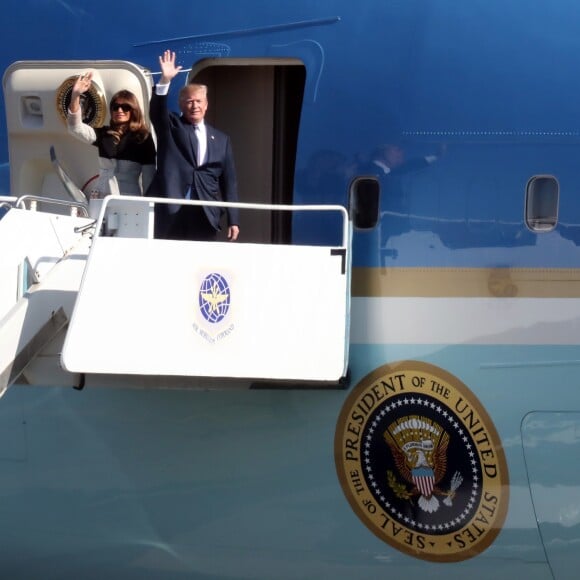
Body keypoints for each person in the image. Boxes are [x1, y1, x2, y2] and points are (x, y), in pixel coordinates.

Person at [145, 50, 240, 241]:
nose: (194, 105)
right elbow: (156, 112)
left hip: (205, 213)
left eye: (198, 101)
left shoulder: (222, 140)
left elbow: (229, 181)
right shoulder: (171, 127)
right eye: (189, 102)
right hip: (171, 210)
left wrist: (233, 219)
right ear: (181, 105)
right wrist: (165, 80)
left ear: (206, 105)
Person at [66, 72, 156, 198]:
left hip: (129, 201)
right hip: (101, 198)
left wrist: (147, 207)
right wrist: (75, 95)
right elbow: (74, 127)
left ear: (133, 111)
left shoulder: (143, 138)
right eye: (115, 107)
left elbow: (149, 178)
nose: (120, 110)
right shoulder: (104, 134)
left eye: (125, 107)